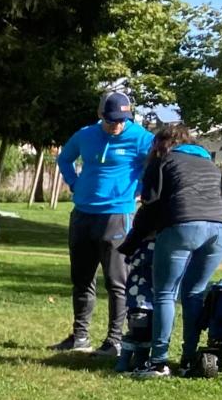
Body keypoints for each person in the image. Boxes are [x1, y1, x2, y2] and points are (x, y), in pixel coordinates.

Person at [123, 119, 222, 378]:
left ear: (160, 144)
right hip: (221, 229)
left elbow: (149, 205)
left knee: (165, 293)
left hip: (183, 225)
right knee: (194, 293)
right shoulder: (211, 165)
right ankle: (188, 360)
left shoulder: (162, 161)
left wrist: (130, 243)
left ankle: (158, 362)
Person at [51, 91, 155, 356]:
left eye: (121, 119)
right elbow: (64, 158)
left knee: (116, 281)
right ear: (101, 115)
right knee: (82, 279)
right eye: (111, 120)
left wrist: (141, 188)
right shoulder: (85, 135)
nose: (116, 125)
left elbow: (156, 164)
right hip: (83, 214)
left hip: (117, 215)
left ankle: (114, 340)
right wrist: (74, 183)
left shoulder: (141, 137)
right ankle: (80, 336)